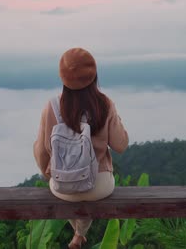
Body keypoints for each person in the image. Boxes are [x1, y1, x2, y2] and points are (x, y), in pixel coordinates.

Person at [33, 47, 129, 248]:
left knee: (69, 187)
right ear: (94, 75)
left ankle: (78, 234)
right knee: (87, 186)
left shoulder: (51, 106)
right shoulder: (105, 104)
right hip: (99, 185)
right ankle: (79, 235)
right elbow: (121, 145)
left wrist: (49, 174)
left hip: (63, 185)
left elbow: (42, 151)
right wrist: (114, 117)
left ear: (62, 76)